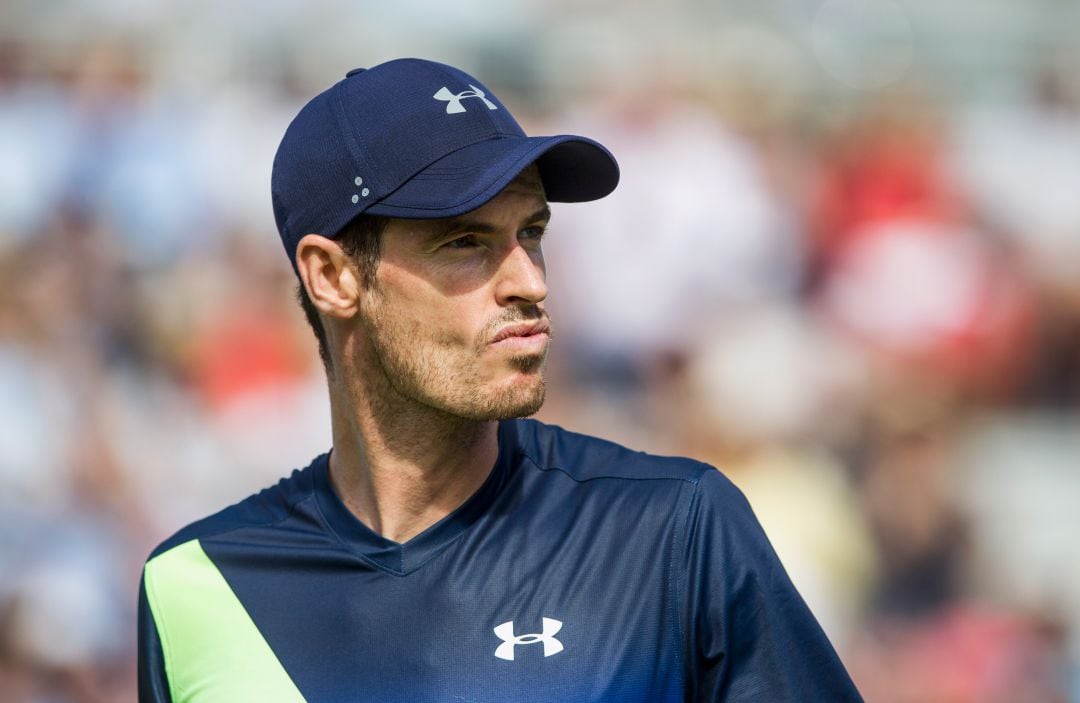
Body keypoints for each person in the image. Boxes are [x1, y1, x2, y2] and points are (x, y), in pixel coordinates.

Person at [137, 58, 863, 702]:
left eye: (533, 233)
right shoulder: (194, 586)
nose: (529, 281)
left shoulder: (675, 532)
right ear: (332, 276)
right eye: (464, 242)